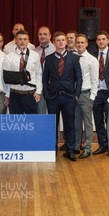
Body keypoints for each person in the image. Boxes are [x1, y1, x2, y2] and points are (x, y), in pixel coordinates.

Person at [43, 32, 82, 161]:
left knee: (69, 125)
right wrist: (47, 95)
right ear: (53, 42)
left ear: (66, 42)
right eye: (57, 40)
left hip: (69, 97)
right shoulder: (48, 59)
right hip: (53, 98)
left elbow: (79, 78)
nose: (60, 42)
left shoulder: (74, 58)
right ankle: (52, 149)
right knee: (52, 125)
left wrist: (76, 94)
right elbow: (45, 79)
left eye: (62, 40)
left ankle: (70, 150)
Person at [3, 30, 42, 114]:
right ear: (16, 40)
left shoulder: (35, 55)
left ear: (28, 41)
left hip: (30, 94)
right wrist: (7, 95)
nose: (22, 41)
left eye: (25, 39)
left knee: (31, 123)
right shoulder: (9, 57)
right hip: (14, 94)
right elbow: (6, 78)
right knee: (16, 123)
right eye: (20, 39)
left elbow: (38, 74)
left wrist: (38, 91)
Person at [74, 34, 98, 159]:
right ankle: (77, 145)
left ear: (87, 44)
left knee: (88, 123)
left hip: (85, 94)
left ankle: (88, 147)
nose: (79, 45)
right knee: (76, 122)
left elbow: (95, 80)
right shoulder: (72, 57)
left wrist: (92, 96)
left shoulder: (92, 60)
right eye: (77, 42)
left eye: (82, 42)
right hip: (74, 95)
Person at [92, 31, 109, 155]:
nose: (101, 41)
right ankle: (102, 145)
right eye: (98, 39)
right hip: (97, 92)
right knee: (98, 121)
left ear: (108, 40)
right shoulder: (92, 55)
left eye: (103, 39)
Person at [34, 26, 54, 114]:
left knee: (53, 113)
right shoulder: (34, 52)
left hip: (52, 86)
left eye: (45, 34)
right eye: (40, 34)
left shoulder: (56, 50)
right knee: (40, 112)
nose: (42, 36)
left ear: (50, 36)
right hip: (38, 85)